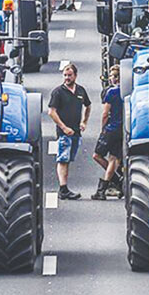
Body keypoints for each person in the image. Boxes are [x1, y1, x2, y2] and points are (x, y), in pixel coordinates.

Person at [47, 63, 91, 200]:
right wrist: (63, 127)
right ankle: (63, 189)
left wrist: (84, 122)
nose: (67, 78)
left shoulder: (81, 91)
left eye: (69, 75)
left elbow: (88, 106)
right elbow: (51, 112)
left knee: (69, 158)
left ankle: (64, 187)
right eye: (65, 75)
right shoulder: (58, 92)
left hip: (76, 132)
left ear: (75, 76)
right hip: (64, 133)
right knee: (63, 159)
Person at [91, 64, 124, 200]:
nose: (112, 79)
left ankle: (112, 183)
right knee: (113, 159)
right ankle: (107, 186)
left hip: (111, 128)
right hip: (122, 129)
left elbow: (105, 113)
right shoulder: (127, 90)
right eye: (111, 76)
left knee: (97, 155)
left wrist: (103, 128)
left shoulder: (112, 92)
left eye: (114, 76)